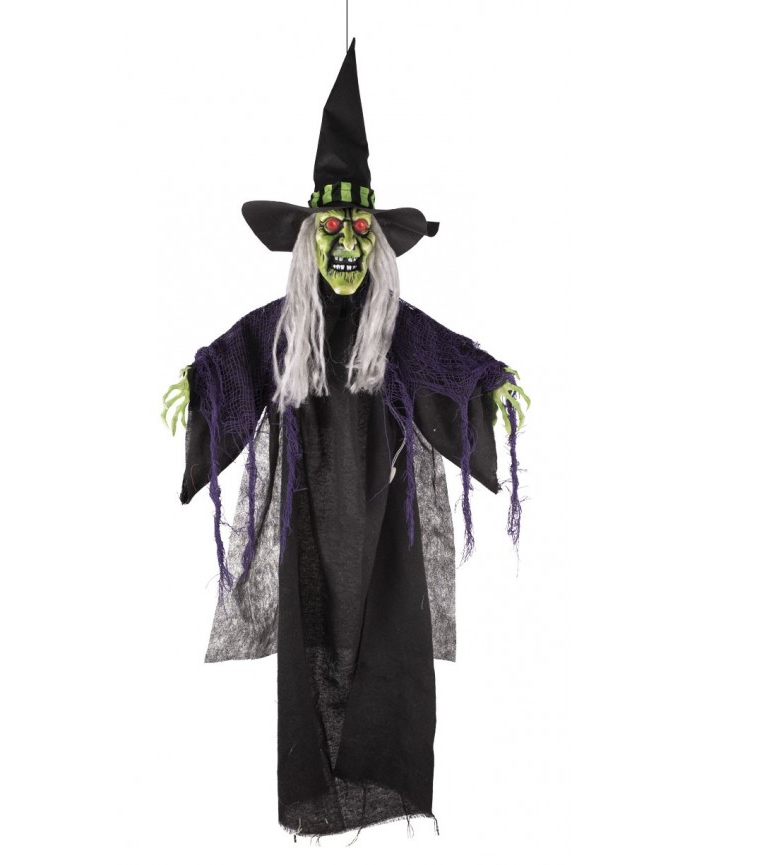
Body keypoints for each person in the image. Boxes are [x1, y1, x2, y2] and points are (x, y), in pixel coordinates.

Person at [161, 39, 528, 839]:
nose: (346, 244)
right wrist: (201, 385)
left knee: (386, 630)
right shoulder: (283, 329)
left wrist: (488, 384)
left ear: (376, 243)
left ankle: (381, 771)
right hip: (308, 515)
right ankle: (319, 784)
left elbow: (452, 366)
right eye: (331, 228)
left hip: (383, 519)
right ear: (308, 240)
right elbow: (231, 365)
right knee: (313, 633)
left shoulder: (396, 330)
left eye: (359, 230)